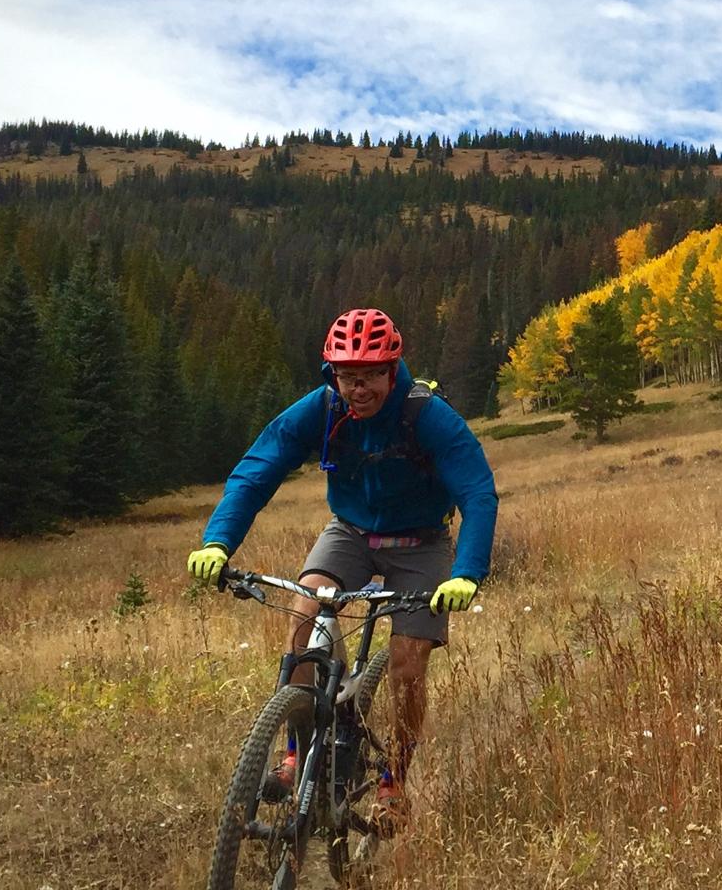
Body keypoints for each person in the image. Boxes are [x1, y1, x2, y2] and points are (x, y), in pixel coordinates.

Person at [185, 306, 498, 823]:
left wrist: (466, 572)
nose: (360, 389)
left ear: (393, 369)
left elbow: (477, 492)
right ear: (333, 374)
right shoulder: (323, 408)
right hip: (350, 532)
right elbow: (257, 470)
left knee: (408, 663)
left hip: (421, 542)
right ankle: (295, 752)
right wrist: (218, 542)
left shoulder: (426, 414)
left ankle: (394, 782)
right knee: (305, 614)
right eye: (349, 377)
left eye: (372, 375)